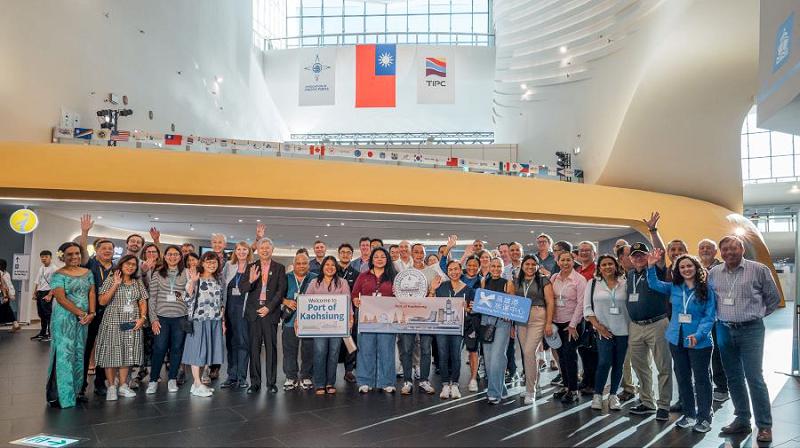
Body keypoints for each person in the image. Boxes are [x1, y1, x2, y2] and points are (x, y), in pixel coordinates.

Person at [708, 235, 780, 443]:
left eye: (734, 248)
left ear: (742, 249)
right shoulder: (714, 273)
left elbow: (773, 299)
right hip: (723, 329)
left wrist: (753, 316)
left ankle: (765, 426)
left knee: (754, 377)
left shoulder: (758, 270)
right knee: (733, 377)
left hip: (751, 330)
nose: (729, 253)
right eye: (725, 250)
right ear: (720, 253)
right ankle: (742, 419)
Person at [646, 249, 717, 433]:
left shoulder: (707, 289)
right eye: (682, 266)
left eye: (689, 266)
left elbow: (709, 317)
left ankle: (704, 417)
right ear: (678, 270)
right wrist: (651, 266)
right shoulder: (675, 287)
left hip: (698, 342)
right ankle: (689, 414)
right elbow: (653, 284)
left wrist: (699, 335)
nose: (686, 269)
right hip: (676, 339)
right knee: (683, 378)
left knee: (701, 379)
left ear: (696, 267)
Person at [622, 242, 672, 420]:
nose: (638, 258)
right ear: (630, 259)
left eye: (642, 254)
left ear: (649, 255)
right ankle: (647, 402)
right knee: (640, 367)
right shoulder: (629, 275)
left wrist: (652, 230)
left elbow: (661, 252)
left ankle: (664, 405)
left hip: (657, 324)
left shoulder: (656, 270)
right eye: (635, 255)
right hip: (635, 326)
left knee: (663, 366)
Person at [47, 242, 96, 408]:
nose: (75, 257)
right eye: (70, 254)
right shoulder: (58, 275)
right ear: (63, 256)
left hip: (84, 320)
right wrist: (81, 313)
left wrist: (92, 313)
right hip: (64, 319)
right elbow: (61, 299)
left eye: (77, 253)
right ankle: (63, 396)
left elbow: (91, 292)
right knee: (65, 355)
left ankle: (76, 392)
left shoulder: (87, 272)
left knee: (79, 353)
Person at [96, 254, 148, 401]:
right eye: (127, 264)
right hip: (113, 321)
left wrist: (142, 318)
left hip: (132, 322)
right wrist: (115, 285)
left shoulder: (138, 282)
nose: (130, 266)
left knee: (127, 354)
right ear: (121, 265)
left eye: (133, 264)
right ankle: (112, 387)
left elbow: (143, 301)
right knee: (111, 354)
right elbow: (102, 301)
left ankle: (123, 385)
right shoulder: (112, 278)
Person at [240, 238, 287, 394]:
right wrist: (251, 281)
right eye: (262, 248)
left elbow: (281, 291)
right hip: (253, 313)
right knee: (253, 349)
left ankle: (271, 383)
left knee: (271, 349)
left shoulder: (279, 268)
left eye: (268, 248)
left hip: (270, 313)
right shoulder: (251, 267)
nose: (265, 250)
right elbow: (243, 288)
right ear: (258, 250)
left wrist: (269, 307)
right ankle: (254, 383)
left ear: (272, 250)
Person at [584, 254, 629, 411]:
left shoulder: (625, 283)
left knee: (619, 364)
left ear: (616, 265)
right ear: (599, 267)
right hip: (603, 330)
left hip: (624, 330)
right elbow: (587, 308)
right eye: (604, 265)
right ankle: (597, 395)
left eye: (610, 264)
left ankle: (613, 395)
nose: (607, 267)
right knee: (604, 362)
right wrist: (598, 326)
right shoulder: (593, 283)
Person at [352, 247, 397, 393]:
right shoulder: (363, 276)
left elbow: (401, 296)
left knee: (386, 350)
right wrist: (355, 301)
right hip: (367, 320)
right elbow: (354, 294)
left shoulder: (394, 276)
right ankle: (365, 381)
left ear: (387, 259)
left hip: (388, 320)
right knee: (366, 349)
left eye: (382, 256)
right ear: (371, 259)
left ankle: (387, 382)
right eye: (376, 256)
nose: (379, 259)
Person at [304, 256, 352, 394]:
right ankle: (319, 383)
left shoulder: (342, 283)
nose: (330, 267)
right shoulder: (314, 282)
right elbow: (306, 302)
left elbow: (347, 302)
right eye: (327, 265)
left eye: (332, 265)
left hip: (337, 325)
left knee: (334, 354)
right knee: (320, 352)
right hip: (318, 326)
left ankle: (330, 383)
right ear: (322, 267)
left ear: (336, 267)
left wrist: (350, 319)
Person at [397, 243, 440, 395]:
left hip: (427, 317)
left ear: (425, 253)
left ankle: (424, 380)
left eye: (421, 252)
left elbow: (434, 298)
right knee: (407, 349)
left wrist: (433, 290)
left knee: (426, 350)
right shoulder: (404, 273)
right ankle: (408, 381)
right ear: (411, 254)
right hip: (408, 317)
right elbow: (399, 296)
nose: (419, 254)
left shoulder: (432, 273)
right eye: (416, 252)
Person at [183, 251, 226, 397]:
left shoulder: (218, 280)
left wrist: (222, 314)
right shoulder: (197, 278)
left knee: (206, 351)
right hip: (199, 320)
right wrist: (193, 282)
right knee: (197, 351)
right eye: (208, 262)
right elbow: (187, 297)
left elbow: (220, 301)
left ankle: (198, 384)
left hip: (214, 320)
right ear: (202, 263)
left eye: (214, 262)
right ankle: (196, 382)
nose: (212, 265)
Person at [147, 245, 188, 394]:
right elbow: (152, 298)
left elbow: (190, 296)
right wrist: (153, 319)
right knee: (159, 348)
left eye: (176, 254)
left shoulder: (187, 273)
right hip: (161, 318)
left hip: (181, 317)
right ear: (164, 257)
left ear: (180, 256)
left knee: (177, 349)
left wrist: (178, 295)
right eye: (169, 254)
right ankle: (153, 380)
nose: (172, 257)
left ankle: (172, 379)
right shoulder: (157, 273)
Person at [78, 214, 110, 397]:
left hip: (109, 314)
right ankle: (81, 384)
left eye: (110, 248)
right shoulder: (90, 264)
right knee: (87, 348)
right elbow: (82, 252)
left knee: (104, 349)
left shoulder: (116, 269)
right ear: (96, 250)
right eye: (103, 248)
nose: (107, 251)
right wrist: (84, 232)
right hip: (91, 312)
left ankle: (100, 383)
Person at [515, 255, 555, 404]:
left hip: (538, 316)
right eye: (527, 264)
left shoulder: (544, 280)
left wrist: (548, 323)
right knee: (529, 354)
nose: (530, 267)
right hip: (520, 318)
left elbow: (550, 302)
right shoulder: (517, 280)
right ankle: (534, 385)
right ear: (522, 265)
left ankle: (530, 391)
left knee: (529, 352)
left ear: (538, 266)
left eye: (533, 264)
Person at [550, 250, 586, 404]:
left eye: (568, 260)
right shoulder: (554, 278)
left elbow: (581, 303)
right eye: (562, 260)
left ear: (574, 260)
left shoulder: (579, 280)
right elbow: (550, 300)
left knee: (570, 355)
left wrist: (572, 325)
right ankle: (565, 386)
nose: (565, 263)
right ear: (558, 262)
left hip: (573, 324)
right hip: (557, 323)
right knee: (561, 356)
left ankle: (573, 390)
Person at [433, 260, 472, 399]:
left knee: (455, 355)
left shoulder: (468, 289)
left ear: (461, 271)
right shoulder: (441, 287)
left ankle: (454, 384)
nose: (454, 272)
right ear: (447, 272)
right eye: (451, 269)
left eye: (456, 269)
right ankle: (445, 384)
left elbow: (471, 310)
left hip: (458, 327)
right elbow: (431, 304)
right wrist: (432, 289)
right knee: (443, 355)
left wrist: (468, 309)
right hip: (441, 327)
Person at [481, 257, 515, 404]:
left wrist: (510, 317)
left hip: (501, 322)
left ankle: (493, 393)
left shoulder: (508, 284)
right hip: (486, 321)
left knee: (497, 357)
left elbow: (512, 304)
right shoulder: (484, 282)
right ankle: (502, 389)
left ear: (502, 268)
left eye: (498, 266)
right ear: (489, 267)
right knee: (488, 360)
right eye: (493, 266)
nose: (495, 269)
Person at [698, 238, 728, 403]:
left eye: (709, 248)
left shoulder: (723, 268)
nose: (705, 250)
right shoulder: (696, 268)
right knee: (700, 352)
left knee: (718, 353)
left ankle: (722, 387)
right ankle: (703, 385)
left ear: (715, 251)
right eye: (702, 248)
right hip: (700, 318)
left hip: (719, 317)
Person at [220, 242, 253, 390]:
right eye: (238, 249)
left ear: (249, 251)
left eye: (244, 249)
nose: (241, 252)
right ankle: (231, 376)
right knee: (231, 343)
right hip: (230, 309)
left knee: (243, 343)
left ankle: (242, 377)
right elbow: (222, 287)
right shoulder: (228, 265)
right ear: (235, 251)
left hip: (244, 310)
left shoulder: (253, 266)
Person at [282, 252, 315, 391]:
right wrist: (285, 301)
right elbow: (276, 294)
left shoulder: (314, 278)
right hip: (290, 320)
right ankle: (291, 377)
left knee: (308, 350)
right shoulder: (285, 278)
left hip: (309, 321)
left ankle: (306, 375)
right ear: (293, 265)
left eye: (304, 263)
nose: (301, 266)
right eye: (298, 263)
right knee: (289, 350)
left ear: (309, 264)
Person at [337, 243, 361, 382]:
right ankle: (330, 372)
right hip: (334, 314)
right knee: (335, 343)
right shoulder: (332, 270)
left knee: (351, 342)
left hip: (350, 313)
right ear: (339, 254)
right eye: (343, 252)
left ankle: (349, 371)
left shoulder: (357, 274)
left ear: (352, 255)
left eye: (348, 252)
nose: (345, 254)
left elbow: (357, 294)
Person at [32, 250, 57, 341]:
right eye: (42, 257)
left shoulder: (54, 268)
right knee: (41, 314)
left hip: (47, 292)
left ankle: (51, 334)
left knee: (48, 314)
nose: (43, 258)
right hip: (40, 292)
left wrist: (50, 295)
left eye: (46, 256)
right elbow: (37, 281)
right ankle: (43, 333)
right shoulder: (41, 267)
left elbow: (55, 284)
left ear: (50, 257)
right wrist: (35, 292)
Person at [0, 259, 20, 332]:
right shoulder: (7, 273)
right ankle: (15, 324)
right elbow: (10, 285)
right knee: (7, 309)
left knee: (6, 309)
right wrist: (11, 294)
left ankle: (15, 324)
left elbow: (4, 285)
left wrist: (6, 296)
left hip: (3, 294)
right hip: (8, 294)